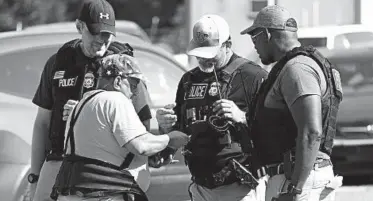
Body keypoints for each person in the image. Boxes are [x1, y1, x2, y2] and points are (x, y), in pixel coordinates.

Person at [29, 0, 153, 200]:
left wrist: (85, 115)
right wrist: (34, 178)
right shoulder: (59, 62)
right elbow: (42, 123)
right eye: (95, 33)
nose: (102, 41)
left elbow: (143, 125)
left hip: (102, 171)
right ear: (79, 26)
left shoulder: (122, 66)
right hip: (59, 161)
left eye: (107, 35)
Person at [227, 5, 343, 201]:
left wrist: (295, 189)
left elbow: (311, 132)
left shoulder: (297, 69)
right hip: (302, 176)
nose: (253, 44)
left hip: (299, 180)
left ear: (266, 34)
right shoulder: (298, 66)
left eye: (254, 37)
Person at [156, 14, 268, 201]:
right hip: (201, 187)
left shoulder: (253, 77)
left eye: (209, 53)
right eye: (199, 52)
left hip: (241, 188)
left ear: (227, 45)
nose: (203, 59)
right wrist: (165, 126)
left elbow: (275, 131)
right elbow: (181, 132)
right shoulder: (188, 81)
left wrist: (241, 117)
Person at [51, 54, 189, 201]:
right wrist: (170, 138)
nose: (135, 92)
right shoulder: (115, 99)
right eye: (134, 85)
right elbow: (141, 146)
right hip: (102, 194)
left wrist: (163, 133)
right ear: (117, 81)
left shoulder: (82, 104)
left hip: (73, 193)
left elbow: (113, 154)